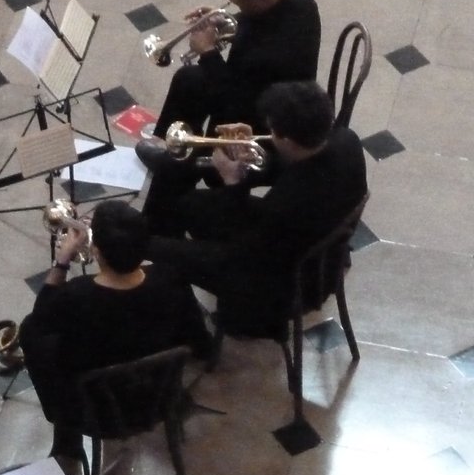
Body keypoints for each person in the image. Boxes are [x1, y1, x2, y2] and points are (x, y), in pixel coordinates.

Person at [146, 81, 367, 336]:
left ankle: (186, 321)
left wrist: (231, 180)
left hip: (276, 280)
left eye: (273, 132)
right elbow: (293, 165)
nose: (269, 134)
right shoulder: (346, 140)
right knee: (191, 204)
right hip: (311, 243)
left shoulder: (287, 201)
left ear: (288, 141)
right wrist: (253, 145)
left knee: (158, 249)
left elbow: (243, 250)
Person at [138, 0, 321, 225]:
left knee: (187, 155)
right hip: (255, 87)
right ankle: (171, 147)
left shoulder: (276, 53)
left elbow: (234, 101)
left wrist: (208, 52)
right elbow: (255, 23)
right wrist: (225, 19)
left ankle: (167, 206)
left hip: (264, 123)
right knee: (188, 79)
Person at [18, 201, 212, 458]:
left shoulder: (77, 295)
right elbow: (198, 339)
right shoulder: (171, 278)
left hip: (98, 412)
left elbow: (40, 320)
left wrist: (62, 261)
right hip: (160, 397)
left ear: (96, 251)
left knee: (29, 331)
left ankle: (64, 428)